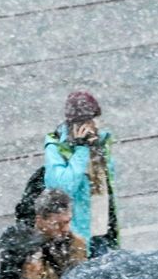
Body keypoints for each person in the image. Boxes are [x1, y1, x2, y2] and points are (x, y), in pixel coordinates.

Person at [44, 90, 119, 256]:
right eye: (84, 122)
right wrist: (81, 149)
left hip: (103, 235)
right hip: (78, 239)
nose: (91, 127)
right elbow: (62, 188)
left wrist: (95, 149)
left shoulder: (100, 143)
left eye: (92, 120)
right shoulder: (57, 147)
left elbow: (108, 189)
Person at [24, 188, 89, 279]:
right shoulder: (27, 249)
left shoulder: (77, 243)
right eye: (57, 224)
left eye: (67, 222)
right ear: (40, 221)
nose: (65, 229)